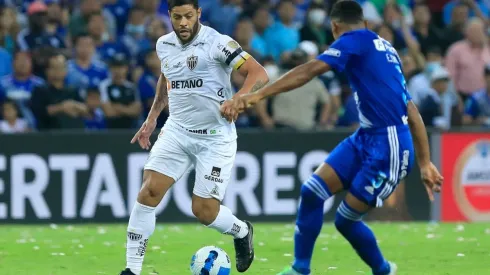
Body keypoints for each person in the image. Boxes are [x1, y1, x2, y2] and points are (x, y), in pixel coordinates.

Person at [220, 1, 443, 275]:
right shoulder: (386, 48)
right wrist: (425, 162)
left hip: (389, 146)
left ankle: (383, 270)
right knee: (312, 192)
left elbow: (310, 69)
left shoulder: (352, 41)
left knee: (346, 220)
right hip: (367, 135)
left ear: (335, 27)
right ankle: (300, 268)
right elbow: (411, 109)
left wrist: (257, 95)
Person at [119, 0, 269, 275]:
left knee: (204, 211)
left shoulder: (219, 43)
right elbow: (167, 78)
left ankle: (241, 230)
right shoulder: (164, 44)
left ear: (198, 13)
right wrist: (152, 118)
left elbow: (259, 73)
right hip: (177, 131)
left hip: (215, 137)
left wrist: (238, 99)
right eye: (177, 17)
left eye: (189, 16)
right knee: (148, 192)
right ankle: (132, 269)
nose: (184, 23)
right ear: (170, 17)